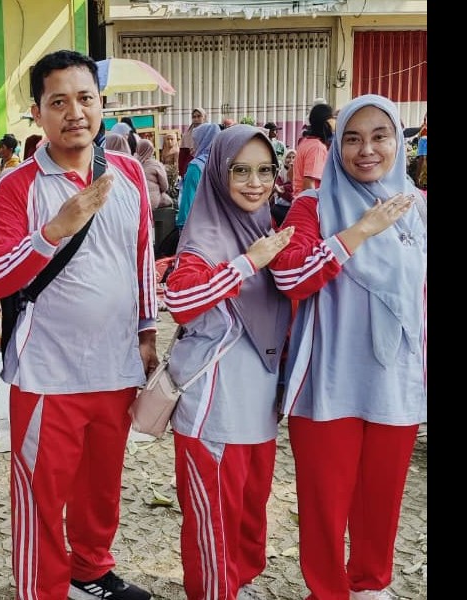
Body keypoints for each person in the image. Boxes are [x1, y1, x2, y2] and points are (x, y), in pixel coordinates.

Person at [0, 49, 158, 600]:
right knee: (41, 494)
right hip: (47, 373)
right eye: (59, 102)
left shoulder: (127, 173)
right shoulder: (16, 186)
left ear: (101, 105)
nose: (75, 112)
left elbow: (142, 256)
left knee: (101, 488)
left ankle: (89, 572)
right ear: (38, 112)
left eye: (85, 99)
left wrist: (147, 331)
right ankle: (43, 587)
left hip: (116, 366)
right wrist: (54, 230)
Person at [269, 94, 426, 600]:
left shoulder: (418, 208)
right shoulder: (313, 206)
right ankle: (327, 592)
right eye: (353, 139)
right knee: (324, 503)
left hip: (396, 378)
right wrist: (359, 232)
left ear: (399, 142)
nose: (366, 150)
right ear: (336, 147)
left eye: (380, 136)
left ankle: (370, 587)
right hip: (328, 379)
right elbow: (290, 276)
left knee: (381, 498)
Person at [163, 124, 295, 600]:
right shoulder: (204, 239)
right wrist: (247, 263)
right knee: (213, 525)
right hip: (214, 414)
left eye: (264, 171)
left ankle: (235, 585)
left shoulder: (268, 230)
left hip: (258, 411)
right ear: (219, 173)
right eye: (240, 171)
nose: (254, 183)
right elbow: (181, 302)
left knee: (248, 518)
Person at [176, 122, 221, 231]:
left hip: (198, 227)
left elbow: (188, 201)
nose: (193, 145)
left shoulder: (196, 166)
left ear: (203, 141)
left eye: (195, 141)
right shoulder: (222, 163)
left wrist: (182, 226)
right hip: (220, 225)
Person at [292, 103, 336, 197]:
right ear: (327, 121)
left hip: (300, 199)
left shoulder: (306, 142)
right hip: (309, 202)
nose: (335, 121)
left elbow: (290, 174)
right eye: (333, 118)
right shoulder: (317, 147)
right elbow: (309, 185)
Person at [135, 136, 173, 209]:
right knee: (168, 201)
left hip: (136, 201)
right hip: (152, 201)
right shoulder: (155, 164)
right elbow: (165, 186)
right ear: (151, 150)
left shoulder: (132, 163)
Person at [271, 147, 296, 226]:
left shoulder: (299, 173)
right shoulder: (280, 173)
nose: (291, 160)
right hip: (281, 205)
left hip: (294, 206)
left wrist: (283, 188)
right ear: (284, 158)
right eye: (288, 157)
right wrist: (288, 190)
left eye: (293, 157)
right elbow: (278, 188)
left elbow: (294, 187)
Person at [179, 107, 206, 176]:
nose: (196, 119)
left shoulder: (210, 133)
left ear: (204, 118)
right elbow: (182, 156)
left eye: (199, 116)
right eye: (194, 117)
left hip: (206, 167)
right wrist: (182, 172)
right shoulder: (187, 135)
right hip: (190, 167)